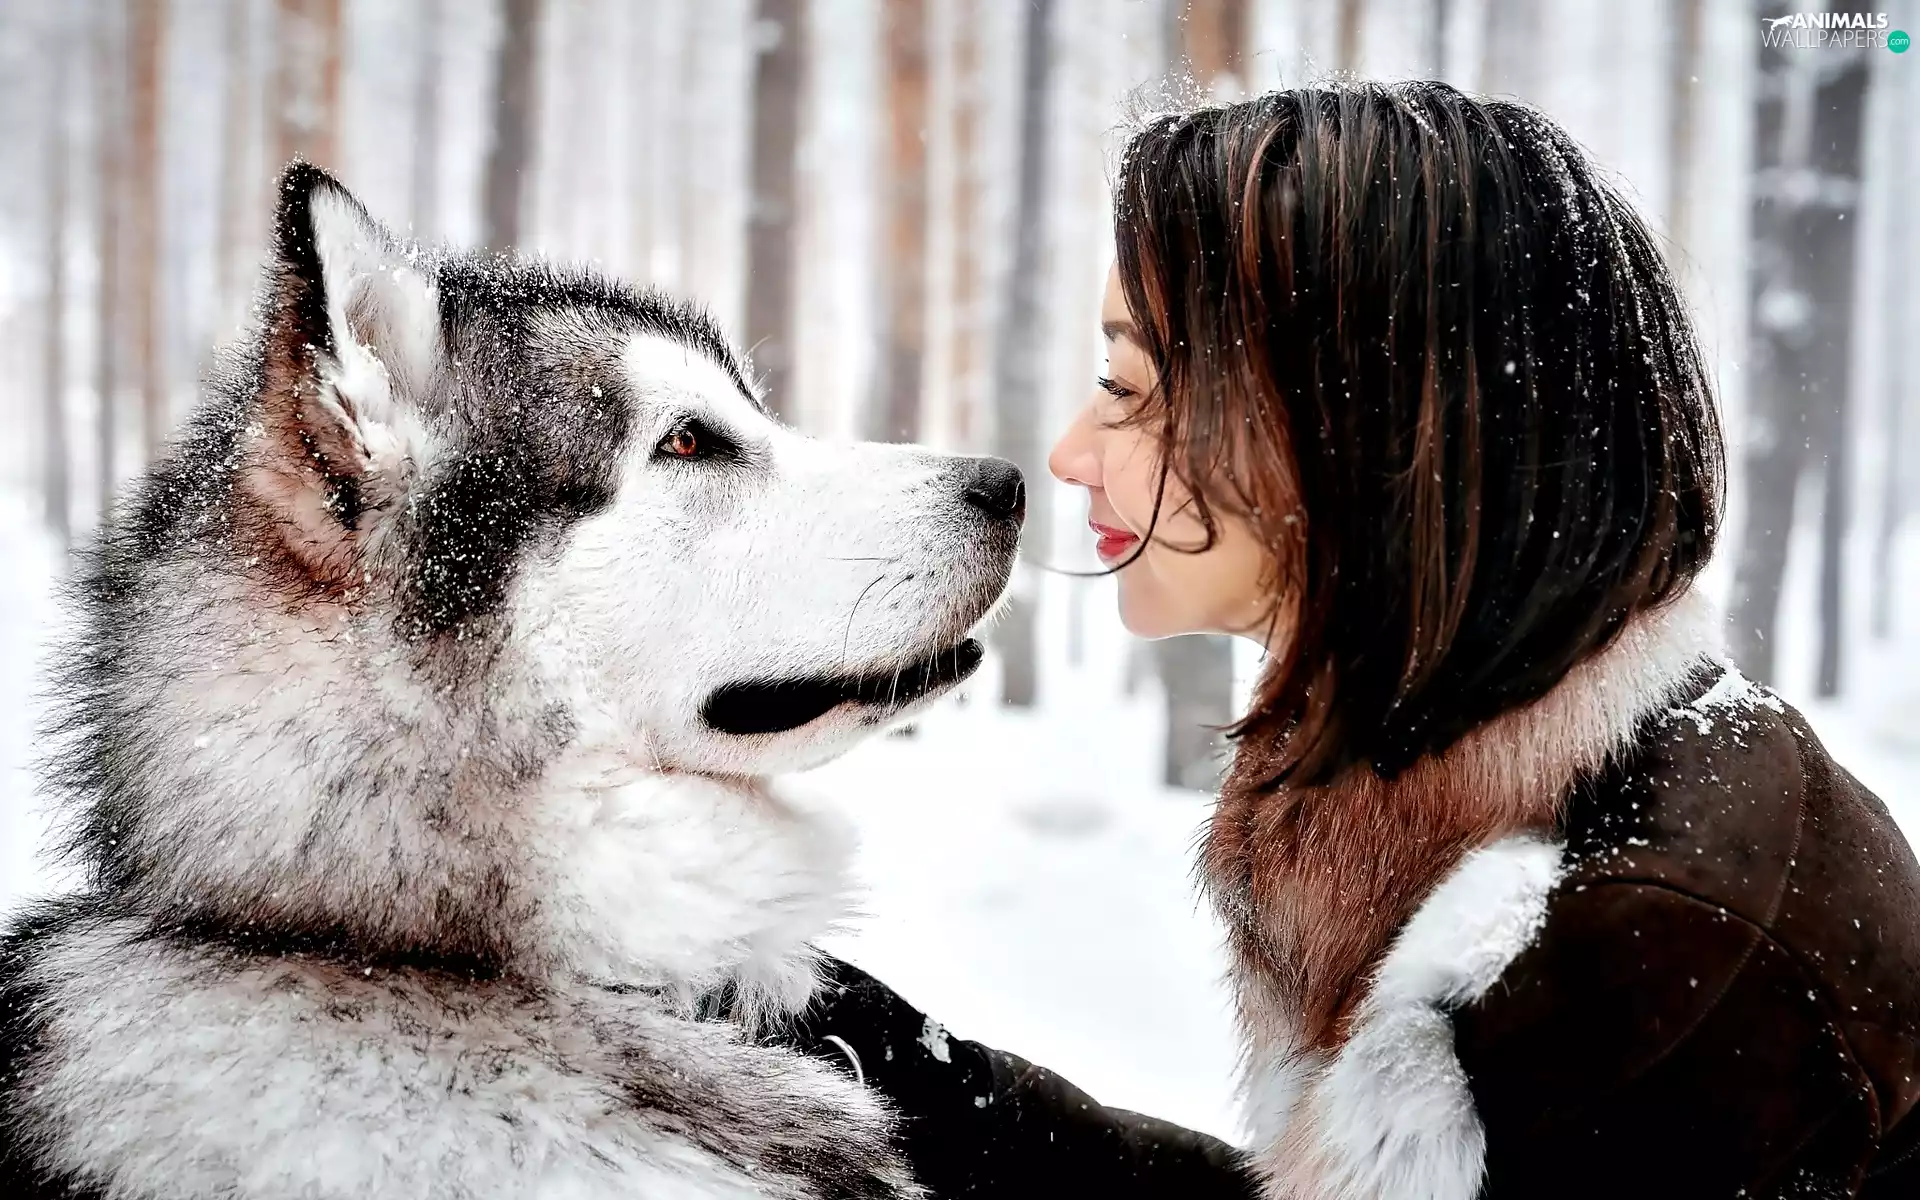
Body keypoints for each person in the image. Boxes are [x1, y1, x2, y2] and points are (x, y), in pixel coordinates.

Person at [784, 81, 1920, 1199]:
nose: (1072, 454)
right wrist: (939, 1098)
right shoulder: (1487, 785)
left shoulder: (1660, 949)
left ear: (1353, 425)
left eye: (1128, 388)